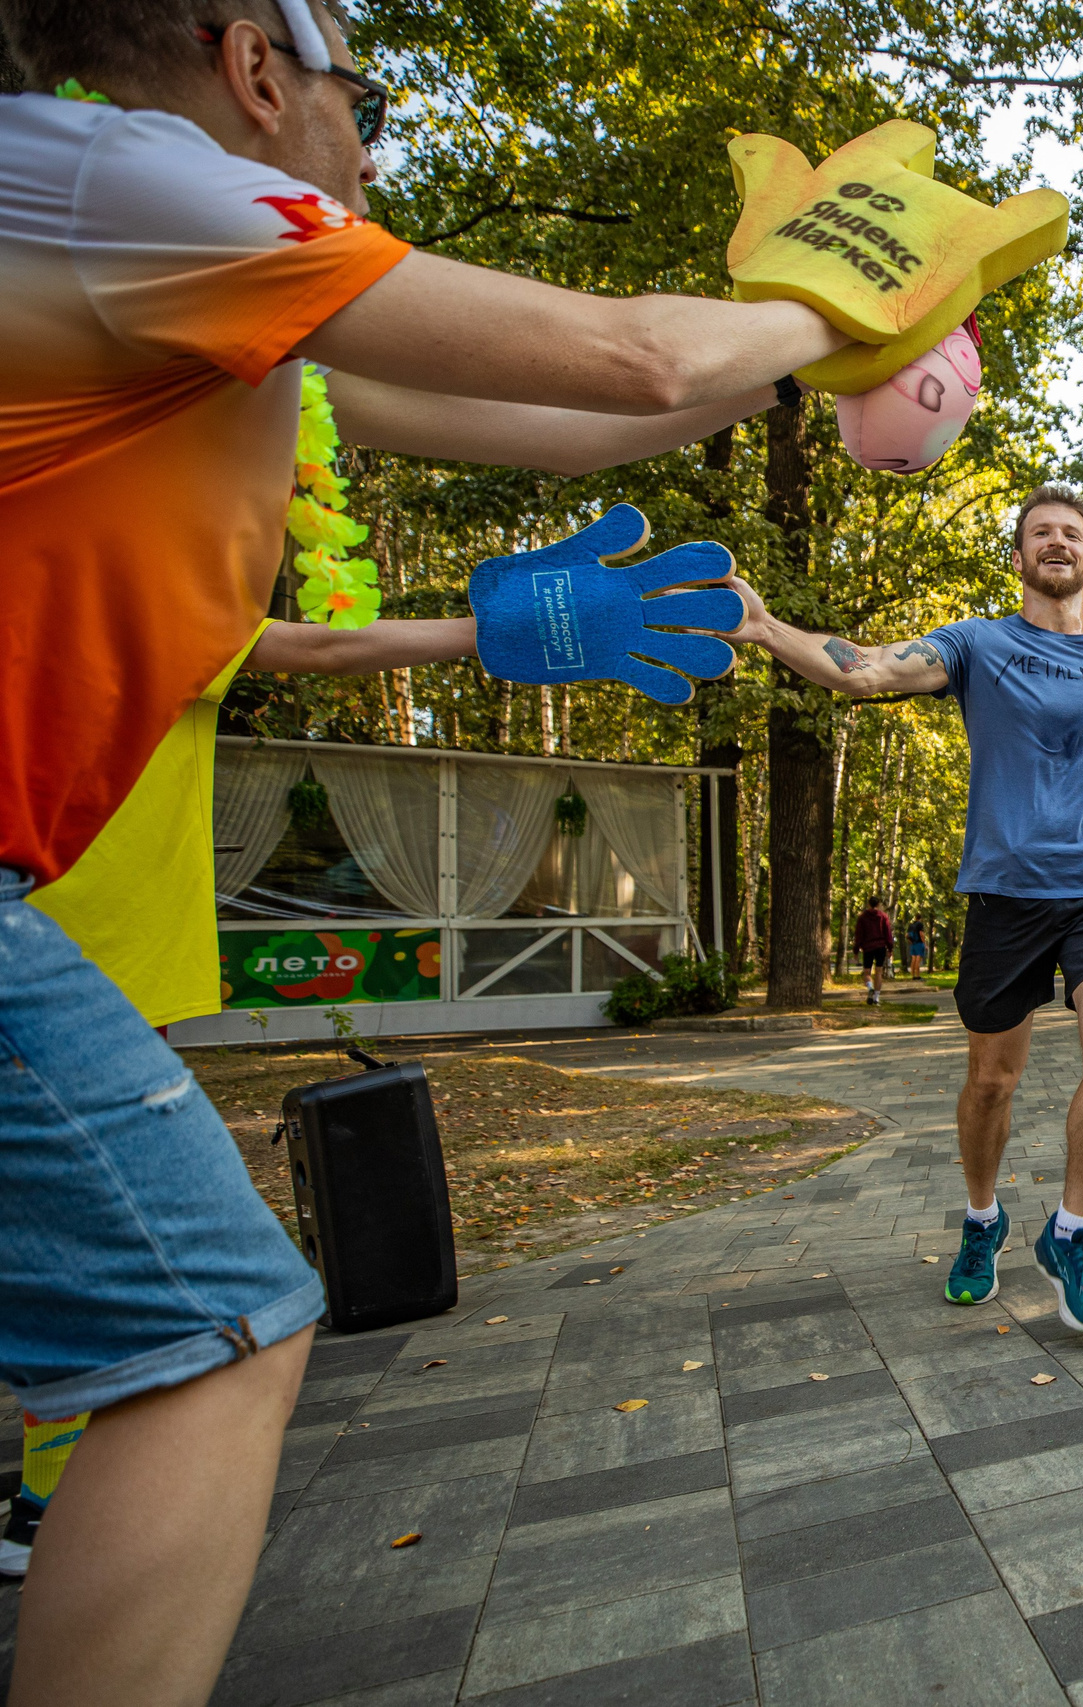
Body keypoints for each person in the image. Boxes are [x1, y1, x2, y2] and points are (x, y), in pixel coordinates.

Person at [1, 3, 856, 1697]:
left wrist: (794, 360)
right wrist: (860, 298)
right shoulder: (130, 180)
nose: (372, 143)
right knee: (222, 1324)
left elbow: (585, 419)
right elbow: (634, 359)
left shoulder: (149, 267)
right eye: (362, 93)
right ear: (257, 66)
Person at [3, 611, 481, 1583]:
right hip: (73, 954)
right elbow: (324, 647)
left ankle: (48, 1496)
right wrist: (501, 626)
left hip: (96, 950)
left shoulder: (119, 598)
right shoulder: (122, 596)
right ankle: (52, 1506)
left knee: (110, 1266)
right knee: (208, 1302)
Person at [733, 486, 1083, 1330]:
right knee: (990, 1082)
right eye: (1040, 533)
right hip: (1006, 894)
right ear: (1018, 558)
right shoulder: (978, 644)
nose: (1057, 542)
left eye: (1072, 534)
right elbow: (868, 668)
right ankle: (982, 1220)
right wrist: (767, 631)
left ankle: (1073, 1230)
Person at [854, 894, 894, 1003]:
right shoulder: (883, 916)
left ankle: (870, 987)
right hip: (880, 946)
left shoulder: (862, 917)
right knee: (879, 971)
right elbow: (888, 934)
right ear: (879, 904)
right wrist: (890, 948)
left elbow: (859, 935)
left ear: (868, 904)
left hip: (867, 947)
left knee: (867, 972)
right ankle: (876, 997)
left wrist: (856, 950)